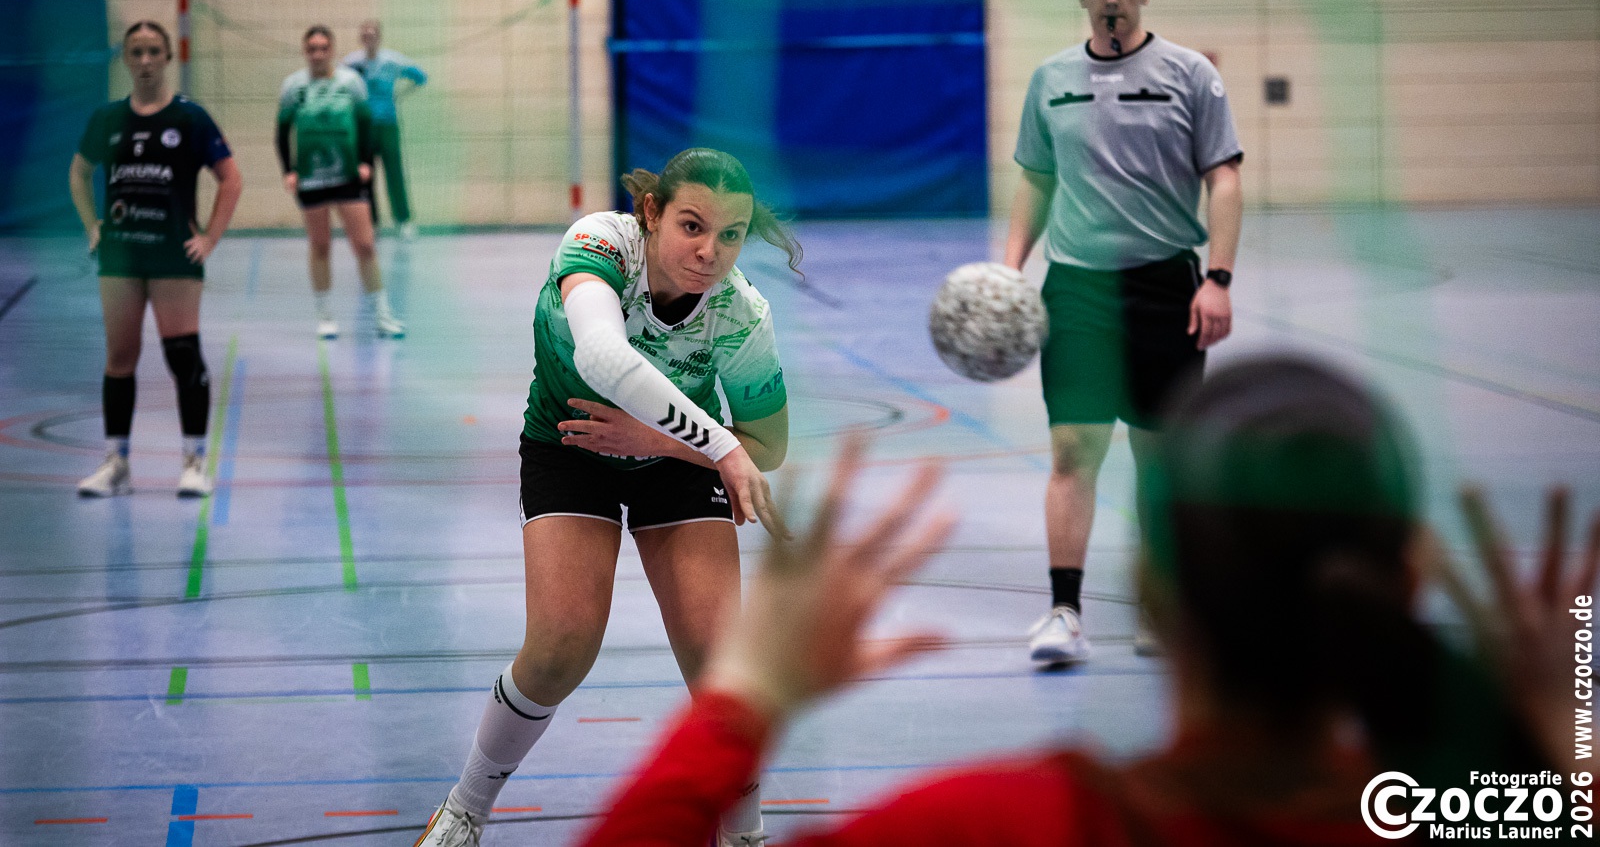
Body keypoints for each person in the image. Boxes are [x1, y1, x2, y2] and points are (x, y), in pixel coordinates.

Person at [575, 356, 1596, 847]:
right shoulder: (1483, 819)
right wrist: (1570, 733)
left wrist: (744, 692)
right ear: (1408, 577)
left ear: (1149, 591)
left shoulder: (1003, 823)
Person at [415, 148, 801, 847]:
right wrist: (720, 445)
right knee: (561, 644)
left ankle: (744, 834)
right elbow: (600, 356)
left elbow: (767, 443)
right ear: (651, 213)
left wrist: (668, 442)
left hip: (674, 459)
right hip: (572, 443)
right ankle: (464, 809)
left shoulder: (741, 315)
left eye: (732, 234)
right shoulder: (599, 244)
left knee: (723, 665)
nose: (710, 251)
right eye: (692, 225)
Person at [1004, 0, 1244, 665]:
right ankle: (1065, 613)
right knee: (1074, 448)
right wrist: (1012, 268)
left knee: (1158, 457)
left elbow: (1225, 178)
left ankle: (1159, 603)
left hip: (1166, 284)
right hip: (1075, 286)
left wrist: (1218, 278)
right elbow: (1037, 179)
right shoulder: (1051, 80)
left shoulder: (1190, 76)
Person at [67, 20, 243, 498]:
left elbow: (231, 179)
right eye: (136, 52)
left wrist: (209, 238)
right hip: (121, 256)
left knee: (181, 355)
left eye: (153, 52)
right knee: (120, 358)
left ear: (168, 58)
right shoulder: (107, 118)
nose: (145, 61)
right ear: (126, 58)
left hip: (173, 256)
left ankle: (193, 461)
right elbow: (79, 175)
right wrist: (92, 226)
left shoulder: (190, 119)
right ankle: (117, 463)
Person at [277, 25, 404, 340]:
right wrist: (289, 170)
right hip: (311, 176)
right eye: (312, 49)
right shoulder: (294, 86)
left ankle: (382, 315)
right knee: (320, 245)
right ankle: (324, 315)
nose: (318, 54)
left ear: (332, 50)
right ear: (305, 52)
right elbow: (282, 132)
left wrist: (364, 162)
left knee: (365, 245)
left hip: (347, 176)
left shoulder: (350, 82)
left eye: (323, 48)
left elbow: (365, 124)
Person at [343, 19, 426, 239]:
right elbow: (338, 85)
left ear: (379, 37)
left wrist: (399, 94)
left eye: (373, 34)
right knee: (365, 176)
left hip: (388, 125)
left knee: (395, 174)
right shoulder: (351, 63)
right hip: (364, 128)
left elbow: (420, 77)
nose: (369, 38)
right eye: (365, 34)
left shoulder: (392, 60)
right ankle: (371, 223)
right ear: (361, 38)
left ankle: (404, 221)